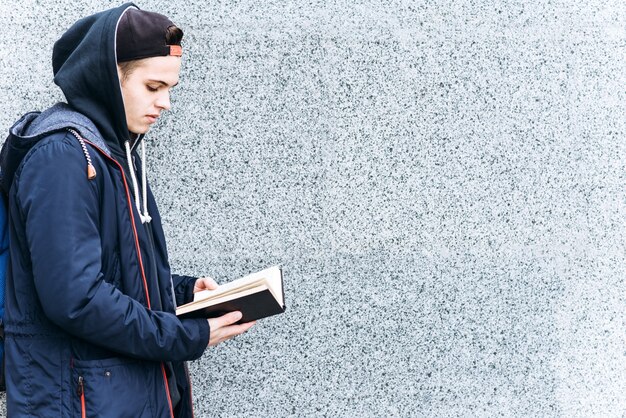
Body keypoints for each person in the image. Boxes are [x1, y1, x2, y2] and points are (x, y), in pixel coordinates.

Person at [0, 3, 255, 417]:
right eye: (153, 88)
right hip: (79, 402)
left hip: (118, 396)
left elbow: (119, 271)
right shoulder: (65, 156)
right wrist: (185, 335)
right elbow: (76, 299)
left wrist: (184, 293)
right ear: (106, 79)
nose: (165, 103)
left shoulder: (116, 153)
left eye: (170, 89)